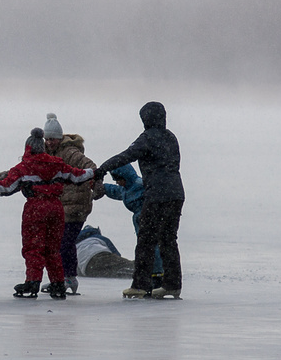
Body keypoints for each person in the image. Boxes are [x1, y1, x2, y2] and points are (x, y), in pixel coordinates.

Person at [0, 127, 95, 300]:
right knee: (53, 249)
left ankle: (32, 282)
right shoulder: (57, 163)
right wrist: (92, 173)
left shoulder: (24, 167)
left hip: (36, 209)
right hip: (56, 208)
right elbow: (78, 176)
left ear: (28, 148)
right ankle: (58, 284)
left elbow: (7, 187)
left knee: (33, 248)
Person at [96, 101, 185, 299]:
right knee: (169, 240)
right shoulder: (171, 137)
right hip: (176, 194)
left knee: (146, 240)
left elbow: (126, 156)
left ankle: (140, 285)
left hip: (157, 195)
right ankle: (172, 284)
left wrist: (101, 169)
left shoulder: (147, 138)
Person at [43, 113, 100, 295]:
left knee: (64, 243)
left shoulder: (69, 152)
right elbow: (29, 164)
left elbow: (91, 166)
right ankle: (63, 279)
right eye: (47, 139)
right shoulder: (47, 152)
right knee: (58, 243)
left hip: (77, 204)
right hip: (62, 205)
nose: (50, 142)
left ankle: (68, 279)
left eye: (53, 139)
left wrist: (97, 186)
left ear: (59, 138)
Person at [102, 163, 163, 284]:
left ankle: (157, 275)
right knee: (144, 248)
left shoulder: (141, 185)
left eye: (119, 179)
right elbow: (116, 191)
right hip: (140, 220)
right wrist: (102, 188)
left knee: (152, 247)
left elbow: (156, 196)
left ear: (126, 176)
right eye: (115, 179)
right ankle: (150, 275)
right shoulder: (127, 188)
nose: (117, 182)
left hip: (149, 218)